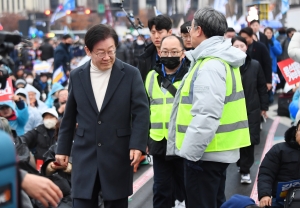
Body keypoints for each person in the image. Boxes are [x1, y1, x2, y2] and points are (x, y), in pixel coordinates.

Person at [55, 24, 149, 208]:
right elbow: (69, 116)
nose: (107, 57)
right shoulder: (77, 76)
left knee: (116, 202)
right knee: (82, 202)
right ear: (87, 51)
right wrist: (62, 149)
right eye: (100, 52)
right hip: (85, 153)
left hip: (118, 153)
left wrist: (138, 144)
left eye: (111, 51)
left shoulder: (130, 74)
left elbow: (141, 111)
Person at [166, 7, 251, 208]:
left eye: (192, 26)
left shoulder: (210, 65)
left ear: (199, 30)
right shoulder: (216, 59)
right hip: (213, 151)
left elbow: (206, 115)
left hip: (204, 154)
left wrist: (190, 155)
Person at [145, 35, 188, 208]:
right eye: (165, 51)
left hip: (183, 141)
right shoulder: (150, 77)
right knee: (161, 188)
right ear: (159, 52)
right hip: (159, 141)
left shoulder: (191, 76)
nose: (169, 55)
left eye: (174, 51)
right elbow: (144, 109)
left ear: (183, 54)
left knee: (186, 187)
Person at [231, 36, 269, 184]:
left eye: (242, 46)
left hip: (251, 109)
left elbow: (261, 87)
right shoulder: (227, 66)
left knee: (249, 141)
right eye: (235, 46)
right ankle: (241, 164)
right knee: (236, 140)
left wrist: (263, 107)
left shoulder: (255, 65)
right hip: (233, 110)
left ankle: (245, 170)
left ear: (246, 47)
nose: (239, 49)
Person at [258, 121, 300, 208]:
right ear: (296, 132)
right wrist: (264, 195)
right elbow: (266, 174)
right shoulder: (279, 150)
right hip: (280, 200)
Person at [138, 15, 172, 82]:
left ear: (169, 32)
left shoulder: (180, 55)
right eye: (153, 32)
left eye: (160, 32)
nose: (156, 36)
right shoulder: (144, 58)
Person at [239, 27, 273, 92]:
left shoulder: (261, 47)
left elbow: (267, 64)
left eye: (245, 38)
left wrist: (268, 81)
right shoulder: (239, 49)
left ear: (251, 36)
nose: (243, 40)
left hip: (259, 78)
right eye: (241, 38)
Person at [264, 27, 282, 104]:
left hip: (272, 68)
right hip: (263, 67)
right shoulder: (262, 41)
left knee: (271, 86)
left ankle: (270, 100)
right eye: (267, 33)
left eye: (270, 33)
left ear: (272, 33)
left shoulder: (276, 42)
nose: (268, 34)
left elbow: (279, 53)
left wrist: (272, 44)